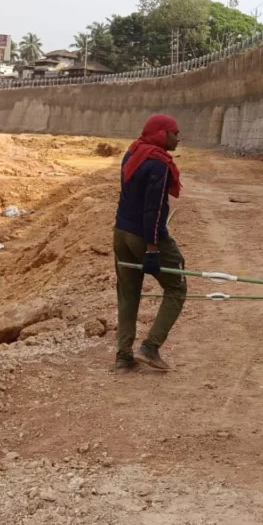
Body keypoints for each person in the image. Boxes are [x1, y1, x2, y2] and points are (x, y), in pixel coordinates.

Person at [113, 115, 187, 371]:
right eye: (175, 133)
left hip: (121, 233)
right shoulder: (158, 164)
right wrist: (153, 250)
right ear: (161, 134)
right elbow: (153, 210)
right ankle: (150, 347)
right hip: (143, 237)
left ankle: (123, 357)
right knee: (176, 287)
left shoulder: (132, 152)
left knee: (127, 293)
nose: (178, 138)